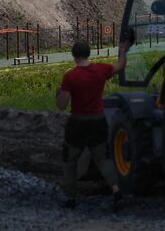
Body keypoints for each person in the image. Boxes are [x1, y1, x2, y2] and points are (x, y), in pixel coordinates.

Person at [56, 35, 131, 210]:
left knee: (70, 159)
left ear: (74, 55)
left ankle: (71, 197)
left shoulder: (70, 76)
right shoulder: (101, 70)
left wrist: (59, 93)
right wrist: (122, 51)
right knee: (103, 159)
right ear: (89, 54)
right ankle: (116, 191)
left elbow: (61, 105)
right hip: (98, 121)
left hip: (78, 123)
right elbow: (120, 66)